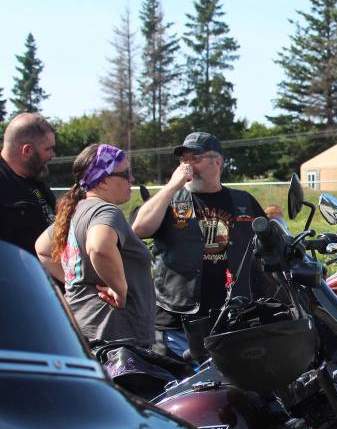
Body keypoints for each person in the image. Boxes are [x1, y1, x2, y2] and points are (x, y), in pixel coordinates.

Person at [131, 131, 265, 358]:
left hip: (232, 318)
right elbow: (139, 229)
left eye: (196, 159)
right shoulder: (169, 201)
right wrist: (172, 187)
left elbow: (270, 243)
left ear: (218, 161)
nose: (188, 166)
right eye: (183, 160)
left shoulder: (244, 201)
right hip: (178, 320)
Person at [35, 144, 155, 344]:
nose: (131, 179)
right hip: (117, 340)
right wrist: (119, 290)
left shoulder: (75, 211)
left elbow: (42, 249)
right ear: (104, 181)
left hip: (86, 332)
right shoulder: (106, 211)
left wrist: (76, 282)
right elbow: (99, 247)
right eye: (126, 173)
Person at [0, 113, 57, 253]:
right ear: (27, 150)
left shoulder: (36, 178)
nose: (52, 155)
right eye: (48, 149)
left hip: (45, 273)